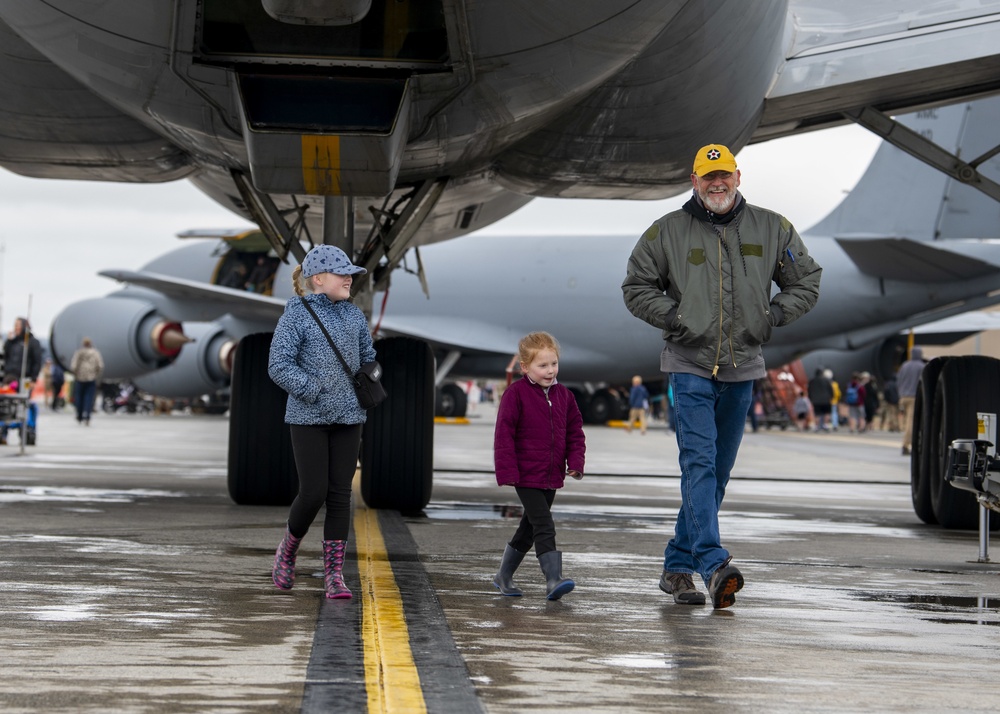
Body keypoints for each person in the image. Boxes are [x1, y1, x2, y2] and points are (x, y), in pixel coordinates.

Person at [621, 143, 821, 608]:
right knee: (700, 464)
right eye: (707, 176)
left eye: (724, 175)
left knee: (718, 474)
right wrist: (676, 318)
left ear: (737, 176)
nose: (717, 183)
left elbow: (806, 281)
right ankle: (712, 564)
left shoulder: (773, 228)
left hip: (742, 366)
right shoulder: (666, 231)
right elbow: (635, 287)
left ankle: (676, 567)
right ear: (694, 181)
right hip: (688, 365)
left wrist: (770, 317)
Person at [267, 245, 375, 600]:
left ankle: (334, 575)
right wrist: (312, 390)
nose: (349, 279)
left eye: (350, 273)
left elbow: (368, 357)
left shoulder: (354, 315)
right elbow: (278, 365)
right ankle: (288, 549)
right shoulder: (296, 316)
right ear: (318, 280)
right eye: (342, 273)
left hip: (349, 416)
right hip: (308, 416)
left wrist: (371, 373)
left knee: (340, 495)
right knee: (313, 492)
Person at [492, 331, 585, 600]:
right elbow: (504, 435)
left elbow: (575, 432)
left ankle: (503, 576)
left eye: (553, 364)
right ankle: (553, 579)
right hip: (526, 474)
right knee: (544, 524)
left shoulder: (565, 396)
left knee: (529, 529)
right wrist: (508, 472)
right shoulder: (515, 395)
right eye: (542, 365)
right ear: (525, 367)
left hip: (551, 475)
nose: (549, 370)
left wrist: (575, 463)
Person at [897, 346, 926, 455]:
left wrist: (900, 393)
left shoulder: (904, 365)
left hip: (903, 396)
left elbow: (898, 381)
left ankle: (909, 441)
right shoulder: (921, 366)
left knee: (905, 421)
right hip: (914, 396)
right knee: (911, 422)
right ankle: (906, 444)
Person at [70, 337, 104, 425]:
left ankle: (79, 415)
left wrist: (76, 374)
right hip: (91, 379)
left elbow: (73, 366)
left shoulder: (79, 353)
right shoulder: (95, 353)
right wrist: (95, 375)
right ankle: (88, 416)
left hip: (80, 378)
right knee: (89, 398)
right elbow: (100, 366)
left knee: (79, 397)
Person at [2, 317, 42, 390]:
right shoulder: (13, 342)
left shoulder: (33, 342)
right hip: (10, 377)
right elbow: (5, 355)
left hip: (25, 378)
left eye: (17, 325)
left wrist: (33, 379)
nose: (15, 328)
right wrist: (9, 341)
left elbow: (37, 362)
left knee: (23, 397)